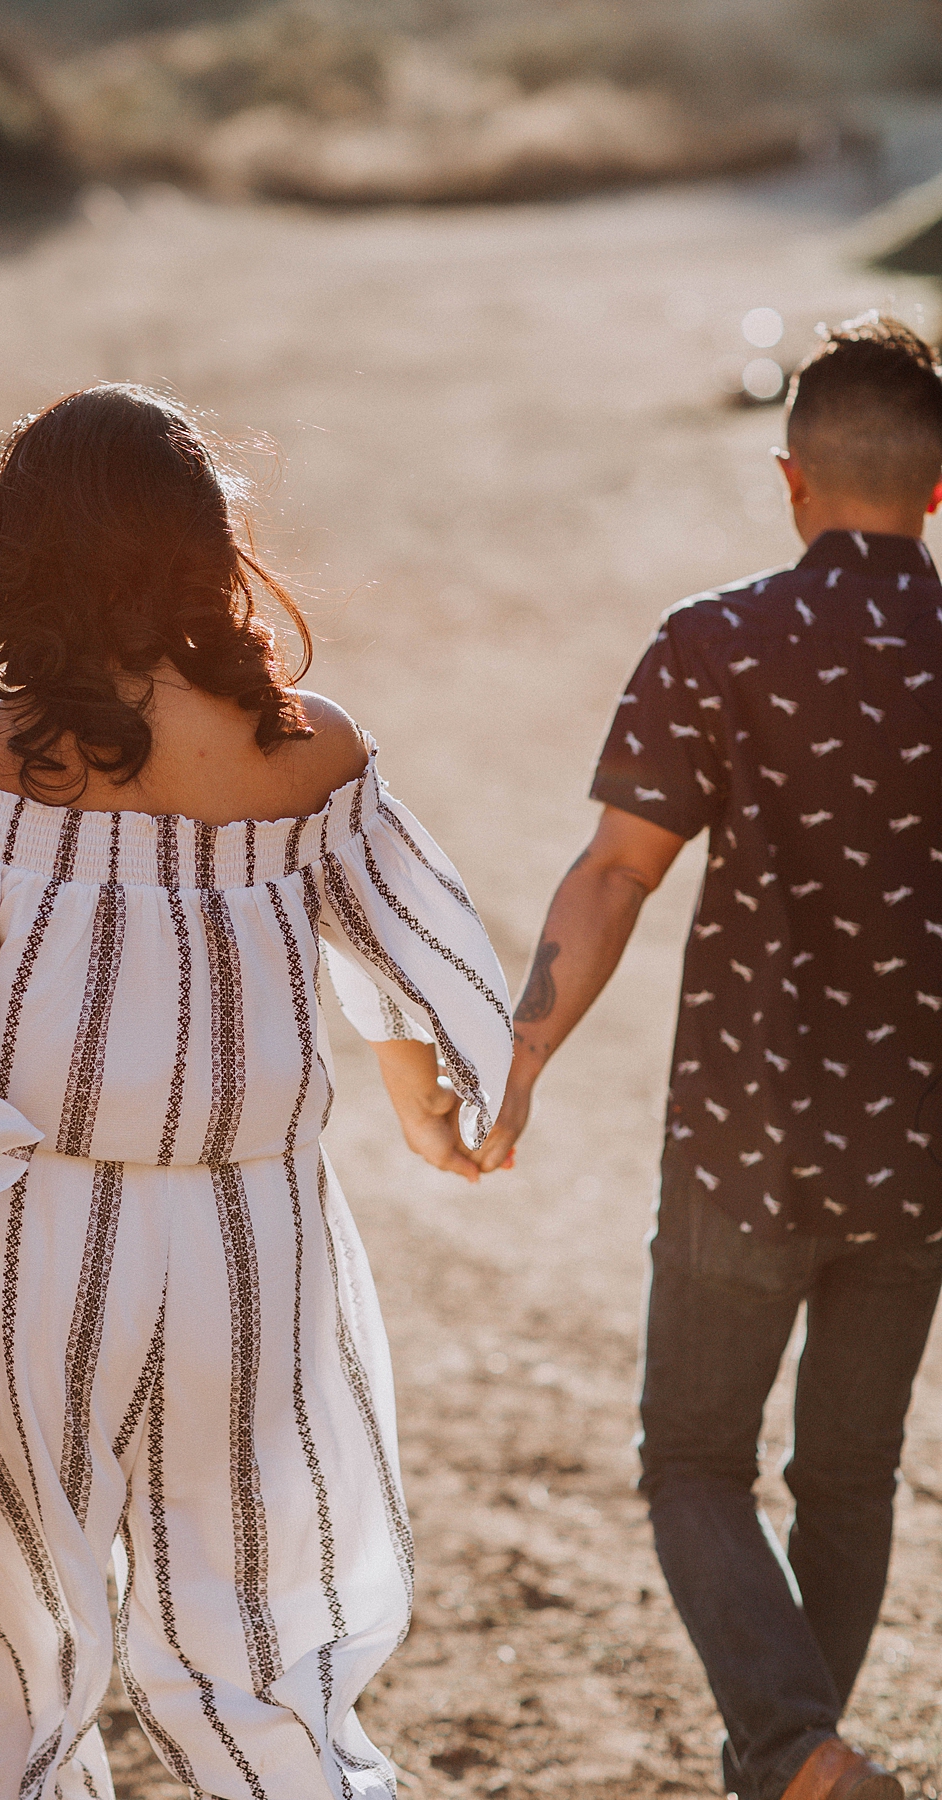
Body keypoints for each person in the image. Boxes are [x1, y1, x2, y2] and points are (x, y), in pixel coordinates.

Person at [0, 386, 513, 1800]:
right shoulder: (303, 752)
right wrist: (425, 1103)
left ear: (20, 560)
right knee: (260, 1636)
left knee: (19, 1647)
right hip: (252, 1243)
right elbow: (408, 953)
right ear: (207, 547)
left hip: (22, 1248)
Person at [479, 314, 942, 1800]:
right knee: (849, 1478)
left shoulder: (716, 641)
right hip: (922, 1159)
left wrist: (524, 1054)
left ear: (790, 480)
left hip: (748, 1140)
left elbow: (616, 874)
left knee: (691, 1458)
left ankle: (797, 1756)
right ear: (938, 492)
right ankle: (794, 1765)